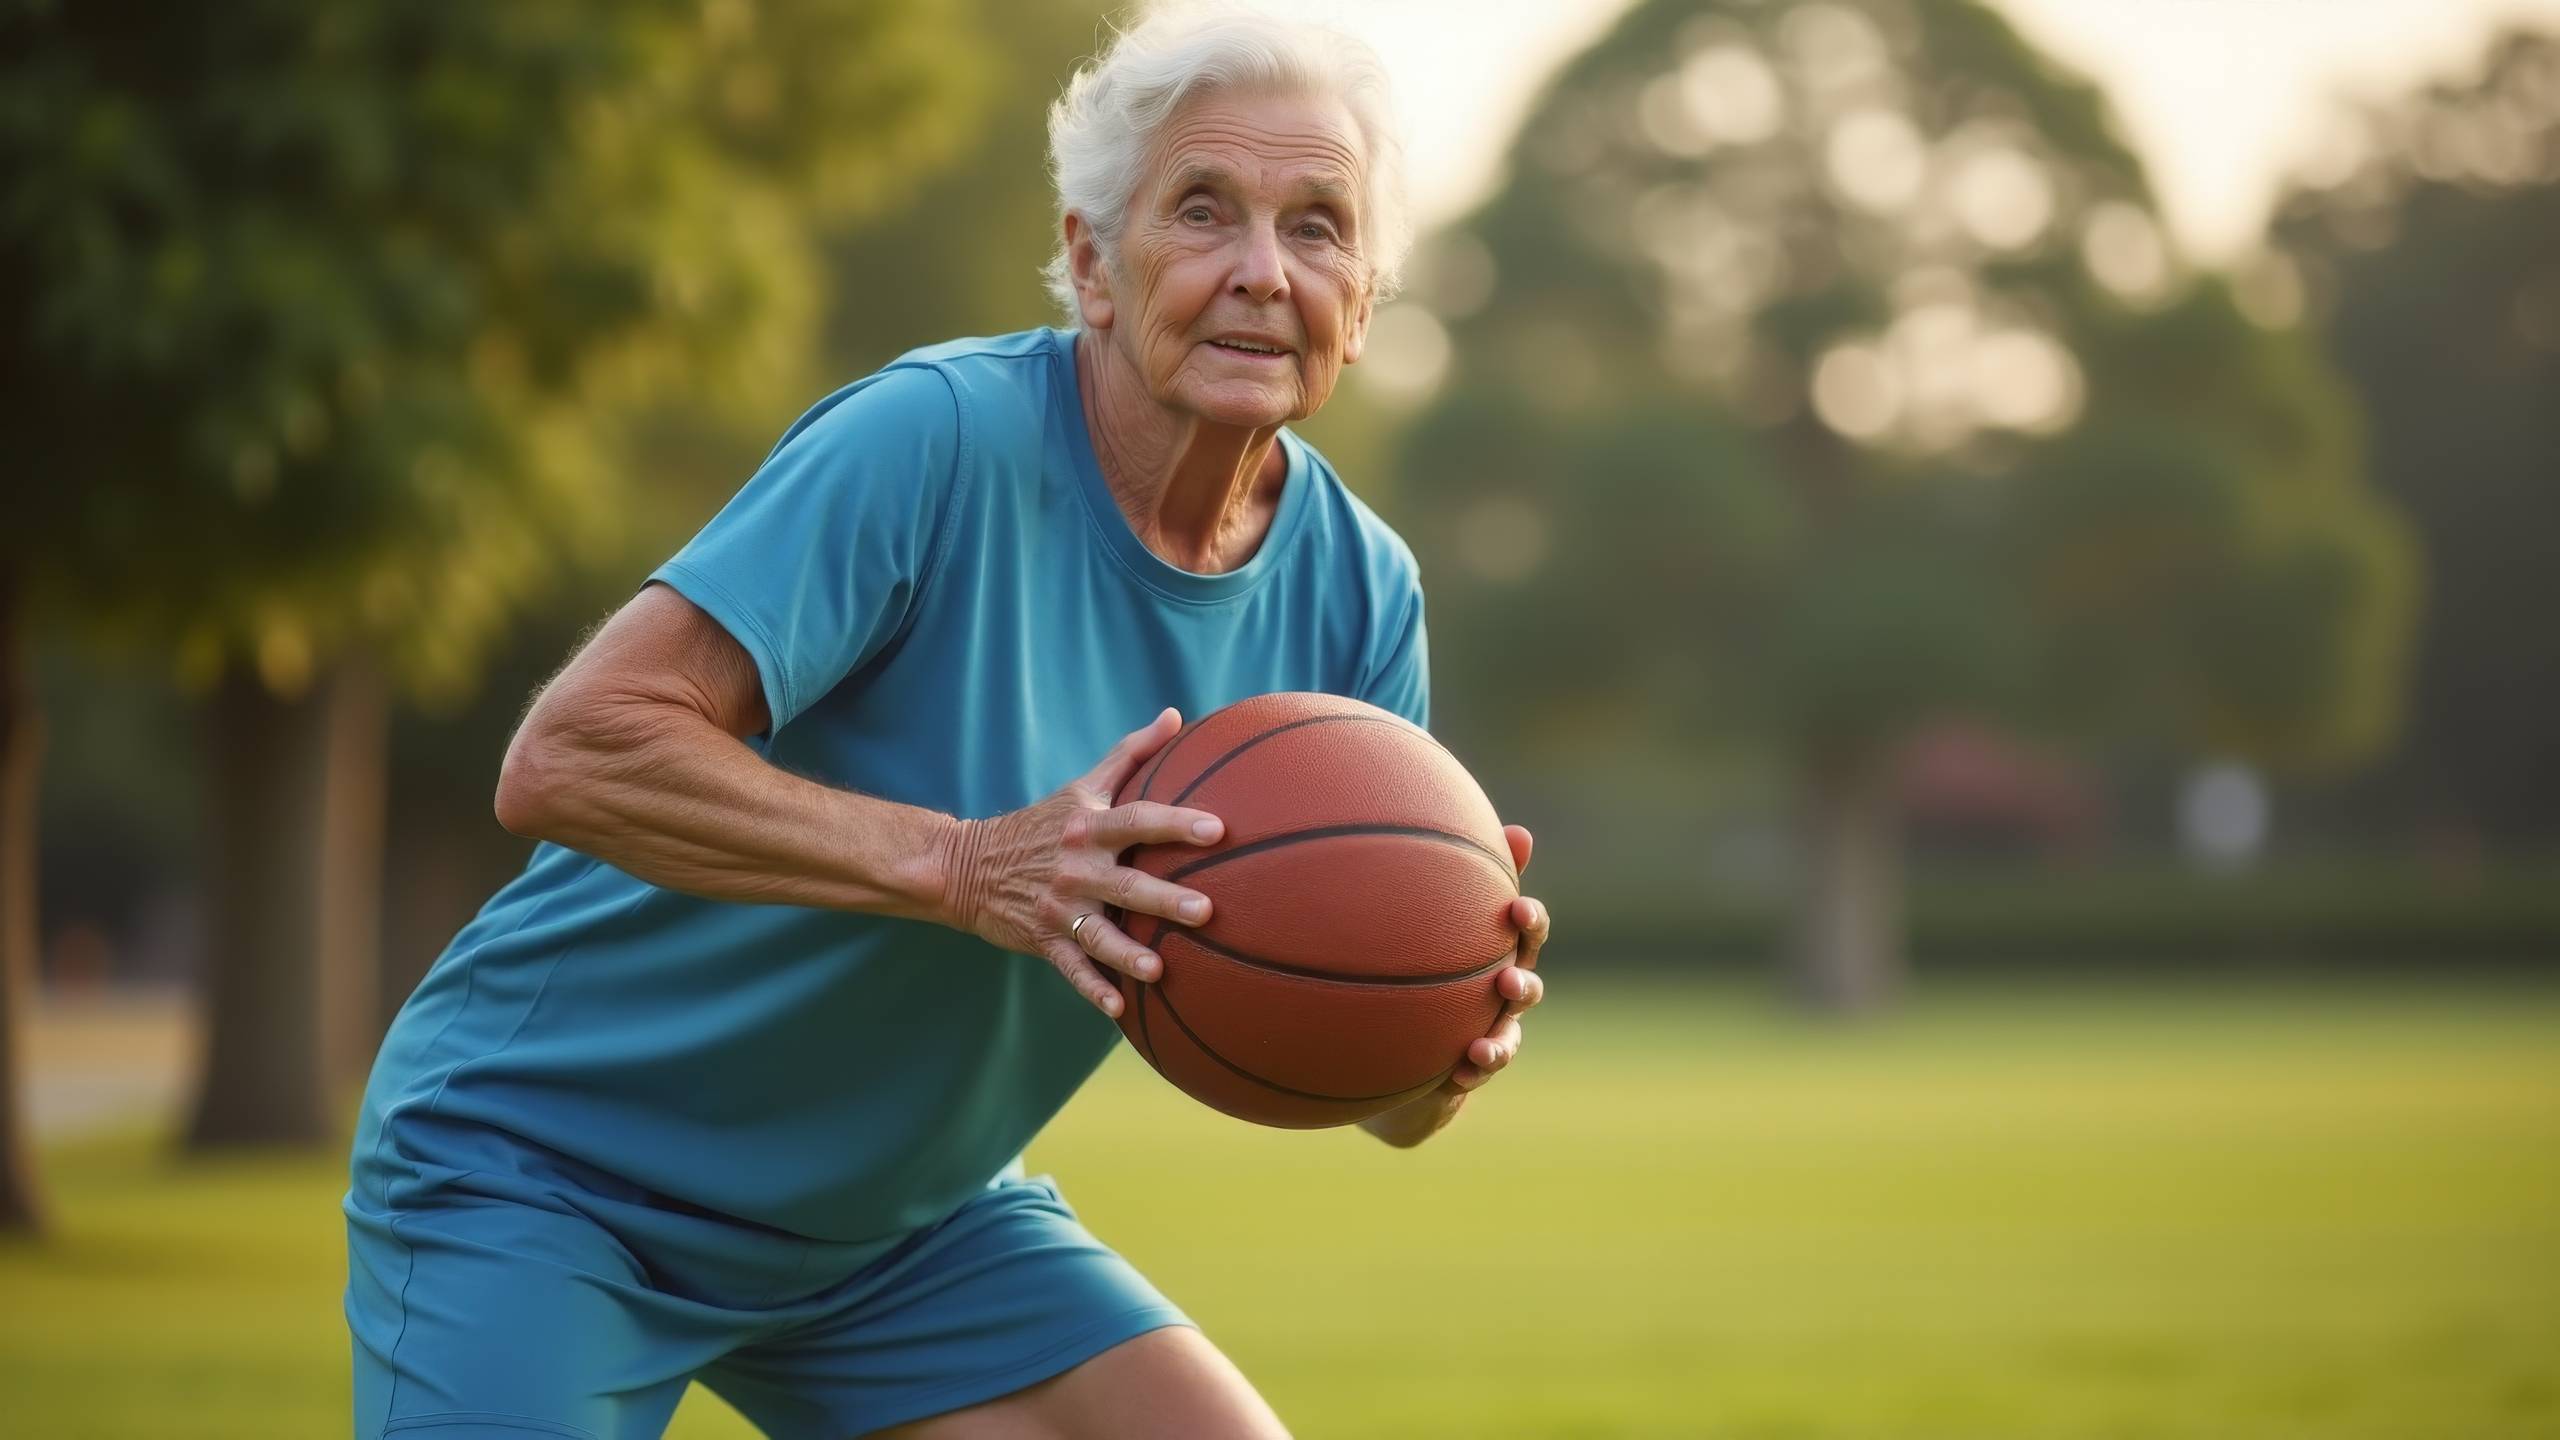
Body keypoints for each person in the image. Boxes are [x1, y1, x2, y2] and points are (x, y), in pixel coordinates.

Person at [343, 8, 1551, 1437]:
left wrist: (1441, 1042)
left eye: (1319, 227)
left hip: (893, 1233)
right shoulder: (935, 442)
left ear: (1367, 293)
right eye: (1204, 211)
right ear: (1095, 263)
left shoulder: (1361, 594)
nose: (1259, 273)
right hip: (551, 1170)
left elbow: (1375, 1091)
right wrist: (968, 865)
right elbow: (572, 756)